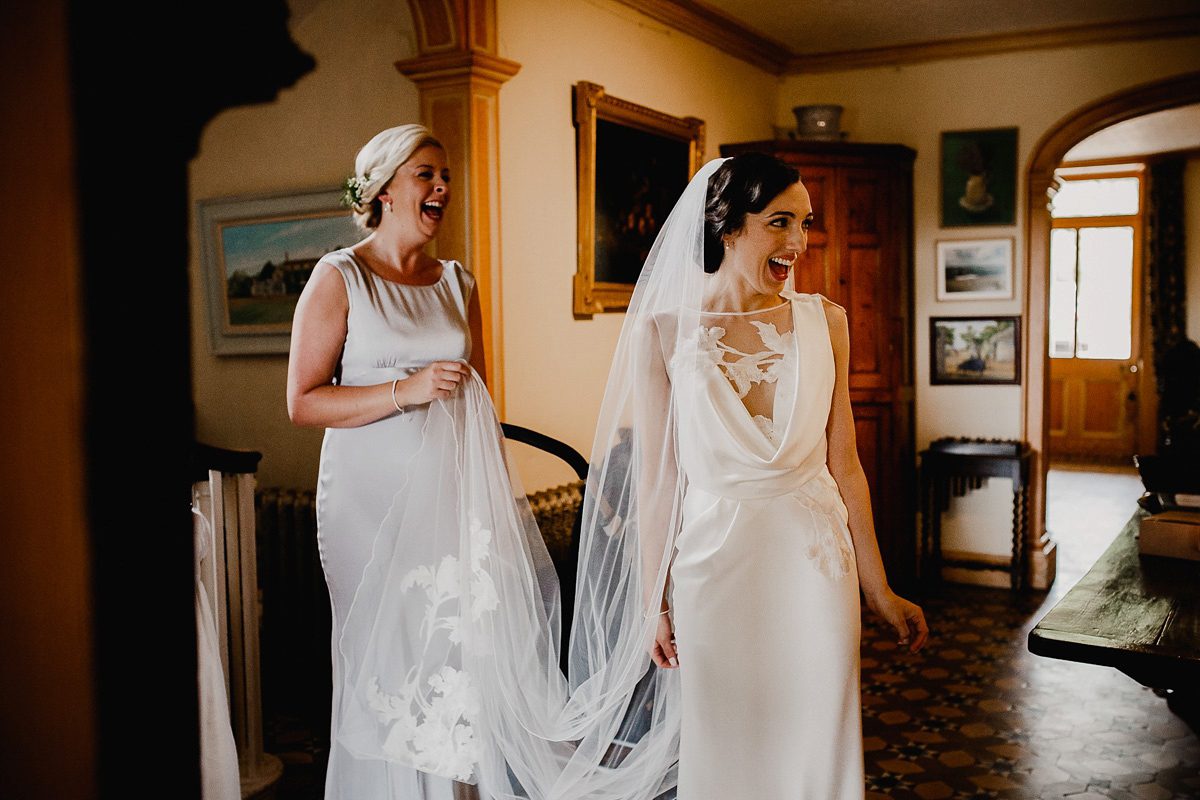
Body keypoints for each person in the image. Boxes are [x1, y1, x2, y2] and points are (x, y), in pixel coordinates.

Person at [601, 152, 929, 799]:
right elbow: (659, 483)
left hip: (814, 568)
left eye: (805, 225)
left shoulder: (827, 322)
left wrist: (878, 588)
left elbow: (847, 466)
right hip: (714, 569)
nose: (799, 243)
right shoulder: (662, 333)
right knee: (727, 746)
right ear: (727, 225)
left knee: (816, 742)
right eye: (781, 223)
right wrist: (651, 603)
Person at [286, 123, 485, 800]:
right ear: (385, 188)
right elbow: (303, 401)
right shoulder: (338, 276)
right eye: (426, 174)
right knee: (385, 661)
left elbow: (477, 398)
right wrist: (407, 390)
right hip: (366, 507)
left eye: (445, 175)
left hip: (446, 495)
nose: (441, 188)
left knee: (447, 658)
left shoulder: (459, 284)